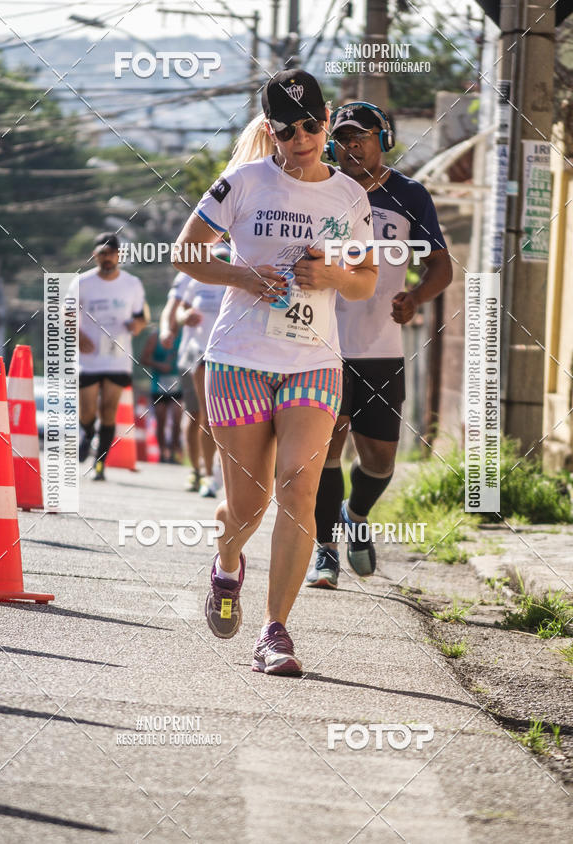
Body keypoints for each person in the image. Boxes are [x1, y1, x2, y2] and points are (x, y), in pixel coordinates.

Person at [172, 69, 378, 675]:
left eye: (312, 126)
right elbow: (187, 252)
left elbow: (365, 280)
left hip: (313, 361)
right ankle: (227, 563)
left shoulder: (349, 195)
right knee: (249, 506)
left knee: (300, 488)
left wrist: (332, 277)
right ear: (271, 131)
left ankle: (276, 632)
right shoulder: (241, 183)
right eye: (287, 130)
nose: (302, 139)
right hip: (238, 358)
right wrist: (243, 276)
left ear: (327, 119)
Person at [306, 102, 453, 588]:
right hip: (323, 344)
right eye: (344, 136)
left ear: (382, 140)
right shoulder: (322, 189)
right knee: (327, 448)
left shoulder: (410, 195)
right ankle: (324, 549)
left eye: (362, 136)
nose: (351, 145)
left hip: (382, 347)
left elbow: (441, 267)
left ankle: (355, 513)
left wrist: (415, 297)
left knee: (380, 460)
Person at [77, 233, 147, 480]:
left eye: (110, 253)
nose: (106, 258)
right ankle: (86, 432)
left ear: (119, 255)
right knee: (86, 411)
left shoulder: (132, 284)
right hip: (89, 358)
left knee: (109, 411)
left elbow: (141, 316)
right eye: (101, 254)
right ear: (95, 255)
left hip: (118, 356)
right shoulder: (83, 283)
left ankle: (100, 465)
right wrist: (76, 333)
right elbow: (64, 312)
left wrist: (137, 326)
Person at [175, 244, 230, 497]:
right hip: (200, 354)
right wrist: (183, 316)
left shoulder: (241, 274)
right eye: (216, 260)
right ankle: (207, 475)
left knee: (232, 419)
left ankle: (227, 473)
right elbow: (178, 309)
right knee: (206, 416)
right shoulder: (196, 276)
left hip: (235, 355)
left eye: (225, 260)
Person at [159, 273, 202, 491]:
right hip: (193, 354)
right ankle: (196, 471)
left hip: (232, 355)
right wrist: (168, 329)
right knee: (195, 415)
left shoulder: (244, 258)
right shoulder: (189, 270)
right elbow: (173, 307)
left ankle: (214, 471)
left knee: (219, 418)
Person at [140, 329, 183, 462]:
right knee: (161, 419)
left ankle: (175, 450)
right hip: (158, 384)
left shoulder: (183, 333)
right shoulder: (155, 336)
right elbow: (144, 359)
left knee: (177, 419)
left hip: (178, 384)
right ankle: (163, 453)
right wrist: (159, 365)